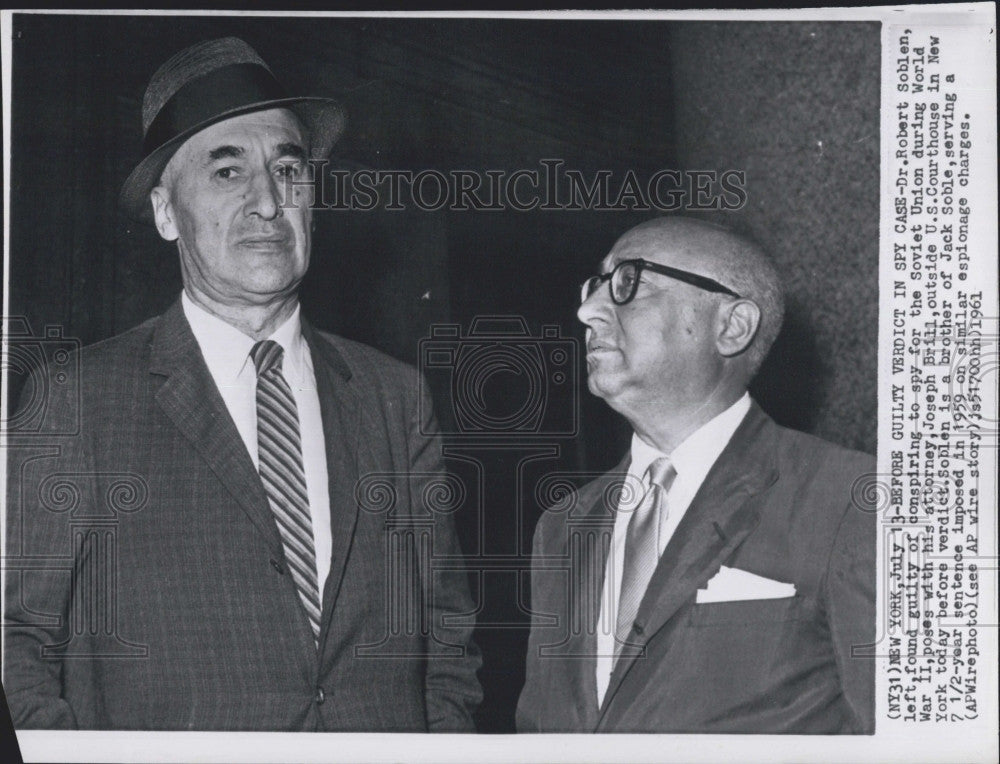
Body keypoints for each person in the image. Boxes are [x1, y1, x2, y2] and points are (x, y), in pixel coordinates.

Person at [3, 37, 481, 731]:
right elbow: (14, 640)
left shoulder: (393, 397)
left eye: (288, 169)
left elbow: (447, 643)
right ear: (167, 213)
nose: (267, 201)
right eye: (226, 173)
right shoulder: (74, 401)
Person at [517, 217, 875, 734]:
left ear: (732, 327)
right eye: (596, 286)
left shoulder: (850, 500)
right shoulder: (562, 524)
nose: (587, 311)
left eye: (628, 282)